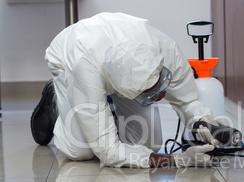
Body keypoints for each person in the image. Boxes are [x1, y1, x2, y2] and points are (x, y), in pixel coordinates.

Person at [30, 12, 226, 168]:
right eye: (152, 94)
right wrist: (178, 160)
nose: (163, 95)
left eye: (161, 83)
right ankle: (55, 99)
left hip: (109, 56)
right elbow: (108, 153)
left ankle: (103, 115)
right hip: (67, 60)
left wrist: (203, 121)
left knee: (149, 144)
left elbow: (188, 101)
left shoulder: (164, 49)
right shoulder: (84, 69)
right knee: (81, 151)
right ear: (127, 93)